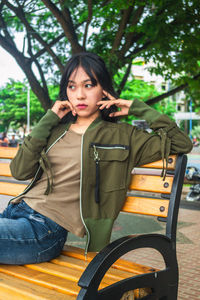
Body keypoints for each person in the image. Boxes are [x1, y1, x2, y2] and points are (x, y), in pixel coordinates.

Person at [0, 52, 192, 265]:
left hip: (43, 231)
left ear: (104, 90)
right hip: (14, 212)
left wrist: (139, 108)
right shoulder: (54, 130)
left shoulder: (123, 136)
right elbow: (19, 171)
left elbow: (181, 143)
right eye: (72, 86)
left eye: (89, 85)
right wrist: (49, 118)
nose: (79, 95)